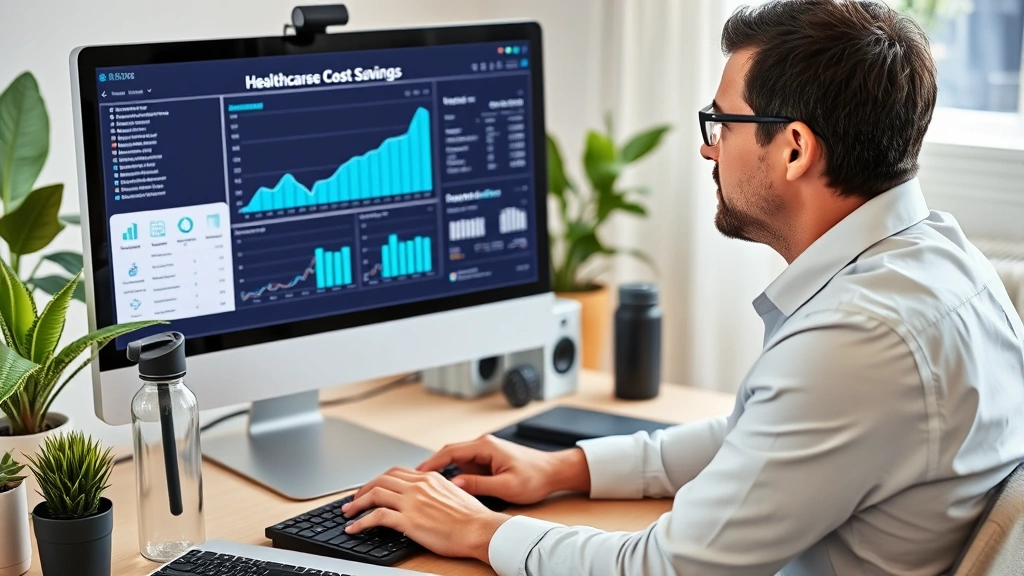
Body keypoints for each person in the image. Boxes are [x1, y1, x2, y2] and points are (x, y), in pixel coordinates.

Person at [341, 1, 1024, 574]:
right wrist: (564, 470)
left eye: (722, 124)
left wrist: (479, 533)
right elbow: (761, 435)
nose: (708, 148)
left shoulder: (859, 341)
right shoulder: (942, 259)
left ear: (794, 148)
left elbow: (666, 569)